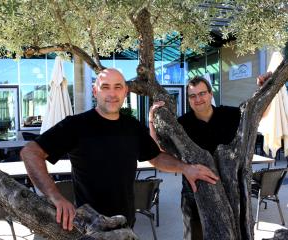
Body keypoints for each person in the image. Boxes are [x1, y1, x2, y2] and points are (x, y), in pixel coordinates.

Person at [20, 68, 218, 232]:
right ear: (95, 91)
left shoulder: (133, 126)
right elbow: (30, 152)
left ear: (125, 92)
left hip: (125, 224)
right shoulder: (76, 126)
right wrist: (55, 197)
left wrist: (186, 168)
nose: (112, 93)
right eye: (105, 87)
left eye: (118, 87)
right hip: (89, 226)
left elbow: (156, 157)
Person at [149, 73, 271, 240]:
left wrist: (264, 89)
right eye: (192, 96)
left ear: (210, 94)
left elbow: (259, 113)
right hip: (194, 193)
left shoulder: (228, 114)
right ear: (188, 99)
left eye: (202, 93)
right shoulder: (182, 124)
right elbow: (158, 149)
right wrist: (151, 120)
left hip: (229, 191)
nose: (198, 99)